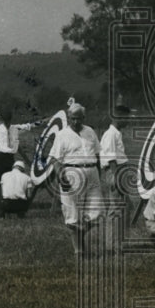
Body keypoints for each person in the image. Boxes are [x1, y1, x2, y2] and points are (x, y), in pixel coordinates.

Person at [47, 102, 102, 251]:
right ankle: (79, 251)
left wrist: (99, 174)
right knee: (73, 214)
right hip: (72, 174)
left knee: (96, 213)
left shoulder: (90, 131)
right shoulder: (62, 135)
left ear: (84, 118)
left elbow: (97, 153)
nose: (76, 122)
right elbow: (55, 159)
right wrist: (61, 176)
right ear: (69, 118)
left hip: (92, 173)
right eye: (73, 119)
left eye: (79, 118)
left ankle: (81, 232)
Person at [100, 103, 131, 231]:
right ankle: (111, 246)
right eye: (127, 118)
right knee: (116, 209)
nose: (128, 121)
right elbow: (111, 158)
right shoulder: (111, 134)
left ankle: (118, 242)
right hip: (115, 172)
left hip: (119, 172)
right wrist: (117, 177)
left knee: (125, 207)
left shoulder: (116, 133)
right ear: (119, 117)